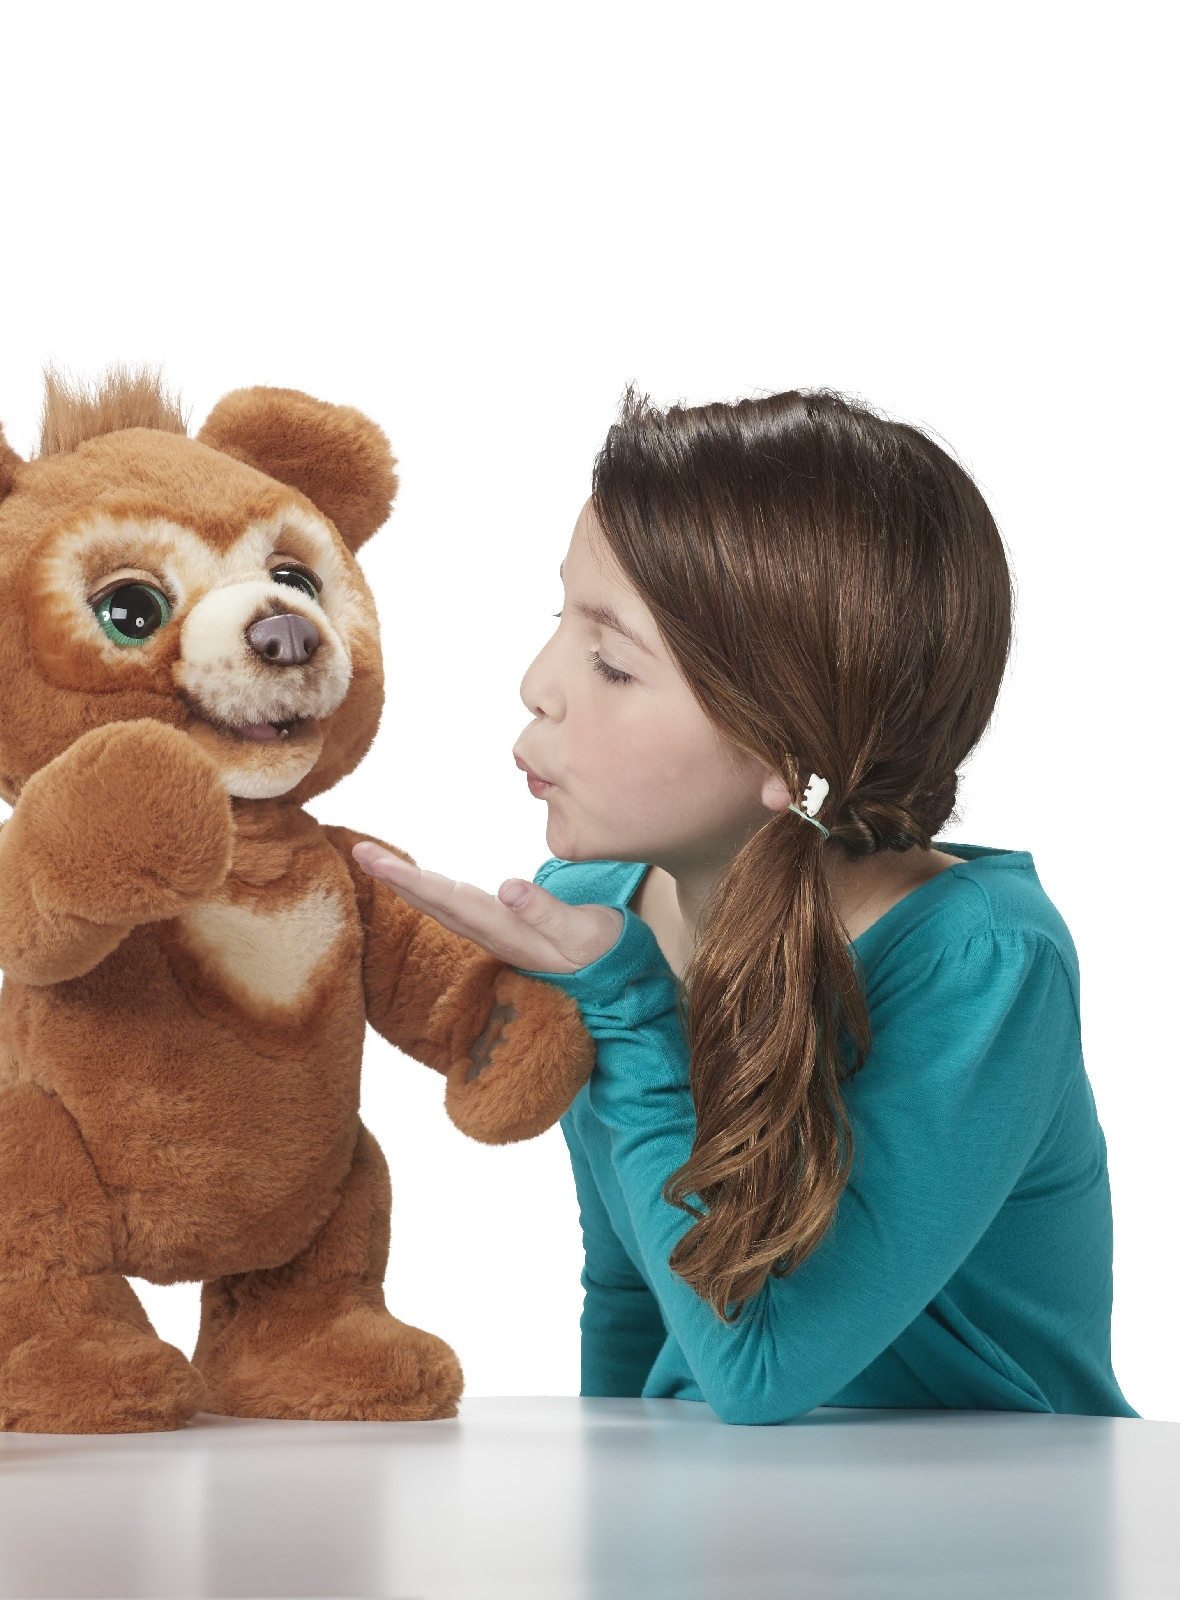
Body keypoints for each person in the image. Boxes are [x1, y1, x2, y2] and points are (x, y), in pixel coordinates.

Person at [352, 390, 1134, 1425]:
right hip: (730, 1499)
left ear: (783, 750)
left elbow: (763, 1367)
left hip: (999, 1508)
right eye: (559, 622)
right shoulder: (591, 913)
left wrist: (624, 1002)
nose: (537, 683)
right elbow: (633, 1292)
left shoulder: (982, 964)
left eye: (612, 662)